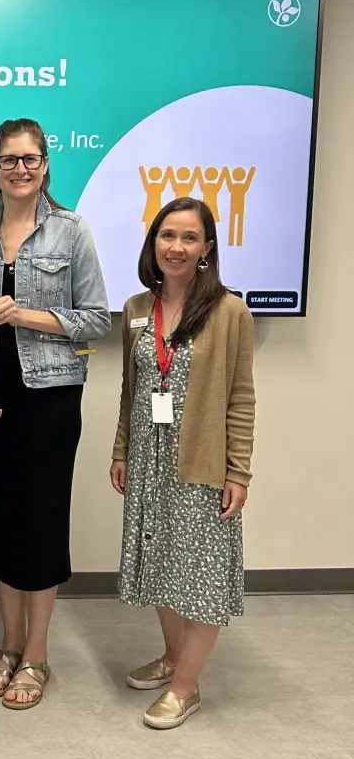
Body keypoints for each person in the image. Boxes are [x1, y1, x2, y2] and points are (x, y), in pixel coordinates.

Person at [0, 118, 111, 710]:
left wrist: (23, 315)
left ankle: (38, 654)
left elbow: (96, 320)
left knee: (42, 521)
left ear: (46, 165)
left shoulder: (72, 232)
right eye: (10, 159)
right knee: (0, 521)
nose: (21, 168)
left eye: (32, 159)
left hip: (49, 398)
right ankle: (9, 643)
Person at [110, 197, 254, 729]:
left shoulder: (230, 311)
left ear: (207, 249)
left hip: (200, 461)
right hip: (148, 459)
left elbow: (241, 397)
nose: (176, 246)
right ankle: (172, 656)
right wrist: (122, 448)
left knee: (200, 575)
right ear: (154, 243)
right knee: (160, 565)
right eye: (167, 235)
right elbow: (133, 390)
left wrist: (238, 470)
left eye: (189, 238)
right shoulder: (135, 309)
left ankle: (186, 687)